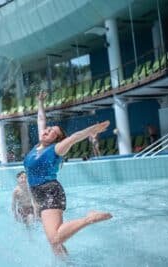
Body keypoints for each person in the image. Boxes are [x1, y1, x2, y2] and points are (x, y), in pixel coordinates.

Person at [23, 92, 112, 256]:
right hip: (40, 194)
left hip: (50, 191)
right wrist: (40, 102)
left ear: (56, 139)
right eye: (48, 128)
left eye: (51, 131)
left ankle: (89, 218)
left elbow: (74, 138)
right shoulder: (38, 146)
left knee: (55, 239)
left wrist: (92, 130)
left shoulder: (56, 149)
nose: (47, 130)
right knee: (55, 244)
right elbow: (41, 120)